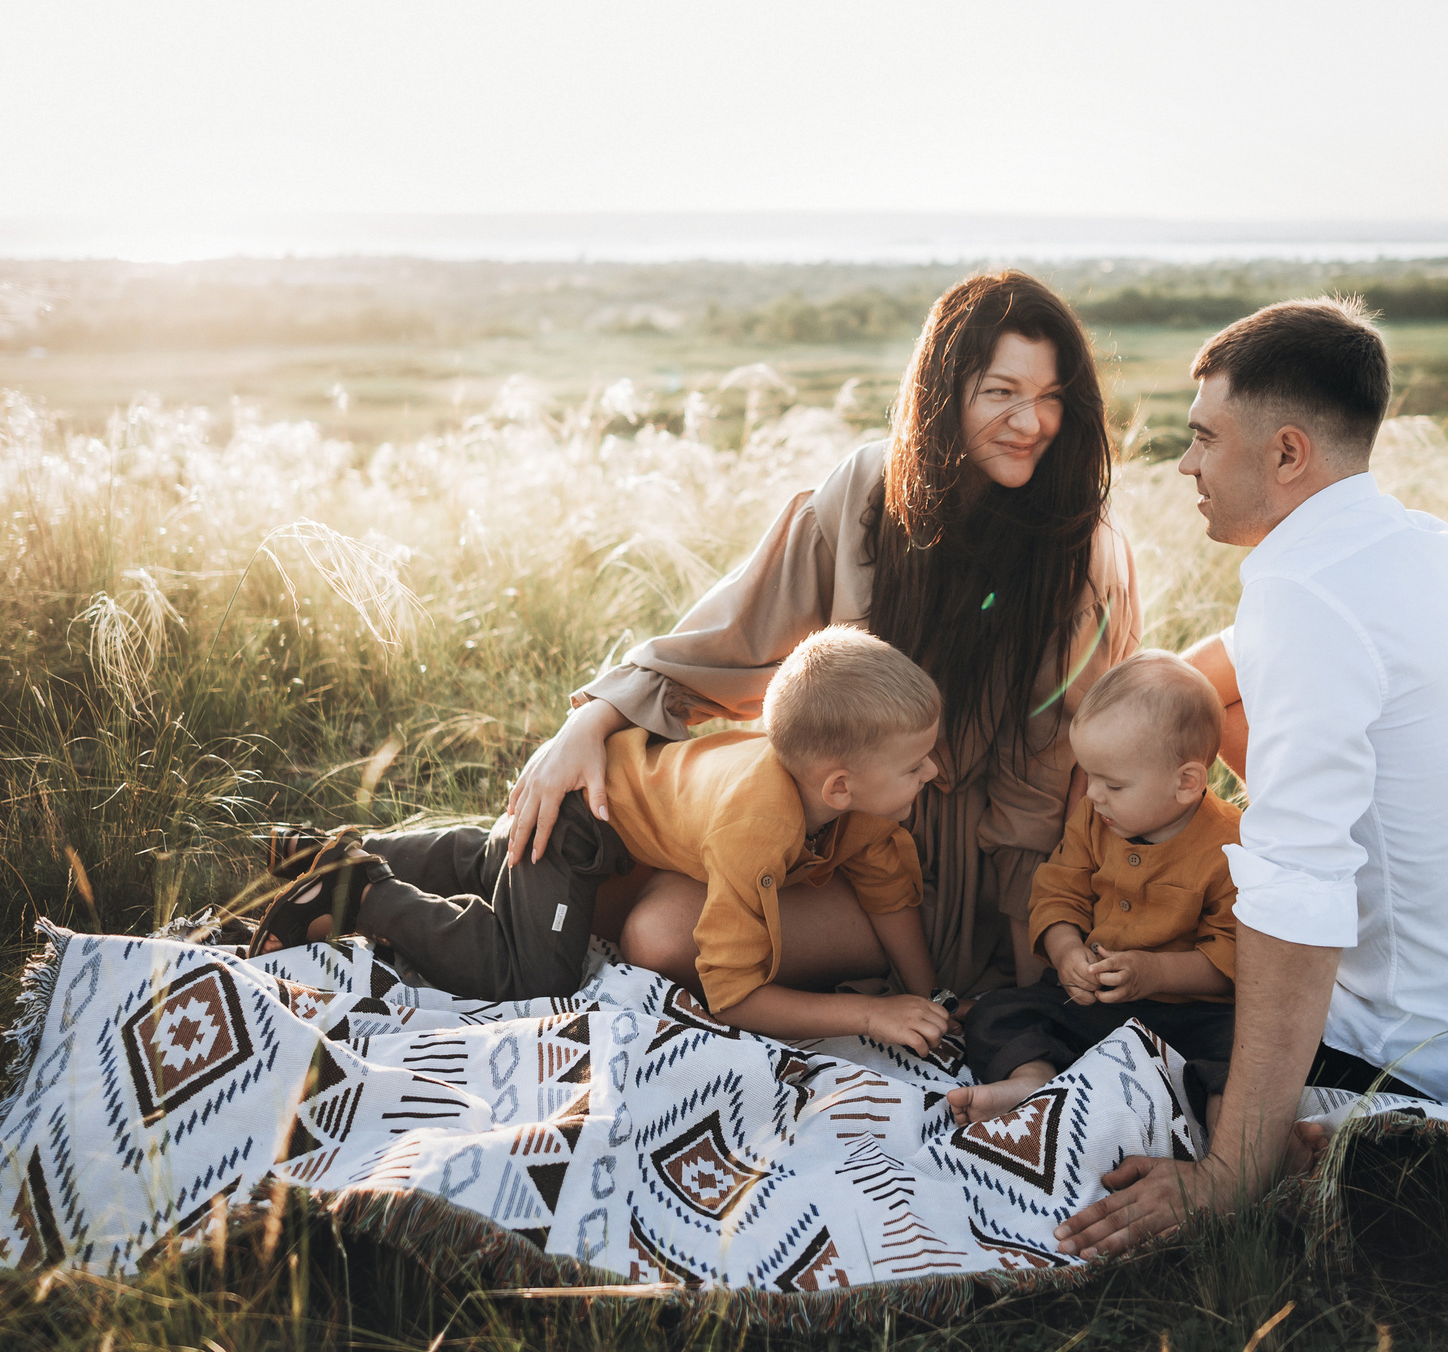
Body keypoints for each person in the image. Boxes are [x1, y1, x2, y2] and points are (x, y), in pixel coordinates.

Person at [1057, 296, 1448, 1257]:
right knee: (1231, 713)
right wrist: (1127, 736)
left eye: (1204, 439)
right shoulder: (1401, 540)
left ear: (1288, 454)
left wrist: (1230, 1172)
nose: (1185, 465)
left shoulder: (1306, 594)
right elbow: (1231, 665)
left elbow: (1296, 899)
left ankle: (1313, 1156)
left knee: (1131, 1035)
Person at [504, 270, 1142, 997]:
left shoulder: (1078, 550)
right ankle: (373, 885)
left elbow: (1041, 786)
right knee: (604, 863)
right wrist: (590, 719)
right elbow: (734, 635)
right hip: (833, 813)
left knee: (660, 935)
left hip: (966, 869)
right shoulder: (867, 490)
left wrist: (1035, 963)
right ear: (941, 390)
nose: (1031, 424)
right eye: (1001, 392)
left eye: (1051, 398)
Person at [254, 627, 954, 1051]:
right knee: (531, 974)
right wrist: (867, 1013)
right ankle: (360, 894)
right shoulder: (759, 825)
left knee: (493, 862)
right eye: (915, 764)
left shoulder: (861, 807)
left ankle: (329, 846)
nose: (934, 772)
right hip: (581, 825)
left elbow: (889, 888)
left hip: (619, 807)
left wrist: (930, 1000)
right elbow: (734, 994)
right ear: (838, 786)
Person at [949, 649, 1241, 1123]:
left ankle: (1224, 1136)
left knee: (1240, 1048)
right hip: (1097, 1006)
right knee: (996, 1013)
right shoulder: (1095, 819)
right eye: (1089, 777)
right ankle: (1032, 1082)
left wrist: (1156, 974)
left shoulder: (1231, 846)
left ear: (1186, 782)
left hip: (1190, 1015)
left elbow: (1231, 957)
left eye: (1114, 784)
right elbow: (1057, 891)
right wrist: (1066, 953)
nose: (1091, 794)